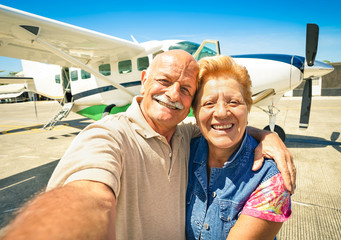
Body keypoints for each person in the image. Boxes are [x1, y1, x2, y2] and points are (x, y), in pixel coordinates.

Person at [1, 50, 295, 240]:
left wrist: (268, 136)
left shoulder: (186, 139)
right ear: (144, 80)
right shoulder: (107, 135)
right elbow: (91, 196)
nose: (172, 94)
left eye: (185, 89)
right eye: (163, 80)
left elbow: (220, 125)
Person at [186, 55, 291, 240]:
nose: (221, 113)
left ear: (247, 108)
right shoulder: (182, 151)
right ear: (195, 113)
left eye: (233, 102)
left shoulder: (272, 180)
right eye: (209, 103)